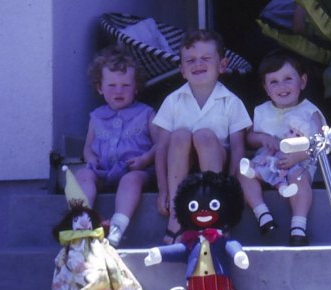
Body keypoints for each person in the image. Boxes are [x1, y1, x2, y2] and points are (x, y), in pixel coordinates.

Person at [153, 29, 252, 244]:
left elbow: (237, 148)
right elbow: (161, 148)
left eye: (206, 58)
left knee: (205, 136)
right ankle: (176, 219)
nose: (198, 64)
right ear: (182, 69)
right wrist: (162, 190)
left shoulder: (231, 102)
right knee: (179, 135)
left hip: (216, 166)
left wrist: (232, 189)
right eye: (190, 60)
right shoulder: (173, 101)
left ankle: (215, 216)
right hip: (181, 169)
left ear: (222, 65)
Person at [237, 50, 327, 246]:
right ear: (266, 88)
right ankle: (263, 215)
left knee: (299, 179)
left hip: (299, 163)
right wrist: (261, 137)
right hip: (268, 163)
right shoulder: (261, 111)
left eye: (288, 79)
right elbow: (250, 138)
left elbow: (322, 143)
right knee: (244, 173)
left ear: (302, 82)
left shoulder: (310, 112)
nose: (282, 86)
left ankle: (298, 227)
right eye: (274, 82)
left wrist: (298, 156)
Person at [75, 46, 158, 247]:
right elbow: (88, 147)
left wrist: (145, 159)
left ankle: (117, 226)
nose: (118, 90)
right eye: (112, 85)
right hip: (103, 170)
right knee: (82, 175)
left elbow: (161, 145)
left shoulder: (146, 113)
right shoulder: (96, 117)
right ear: (100, 87)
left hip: (135, 169)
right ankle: (83, 220)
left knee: (131, 180)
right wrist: (91, 158)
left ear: (136, 87)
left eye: (125, 85)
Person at [239, 113, 318, 198]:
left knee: (282, 181)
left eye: (298, 135)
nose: (292, 136)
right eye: (291, 132)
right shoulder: (280, 144)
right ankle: (252, 173)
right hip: (271, 165)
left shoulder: (297, 153)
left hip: (284, 171)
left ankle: (284, 190)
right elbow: (270, 152)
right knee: (264, 171)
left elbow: (315, 148)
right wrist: (264, 160)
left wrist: (295, 159)